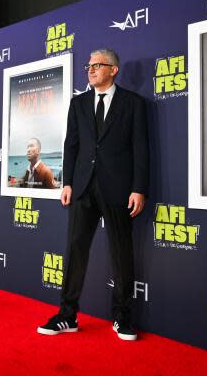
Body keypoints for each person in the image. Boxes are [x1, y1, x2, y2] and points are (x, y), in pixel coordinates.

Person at [37, 48, 148, 341]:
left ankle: (122, 316)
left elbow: (140, 150)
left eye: (98, 65)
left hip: (119, 188)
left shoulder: (133, 104)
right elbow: (71, 144)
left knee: (121, 252)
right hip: (83, 187)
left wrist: (139, 188)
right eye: (89, 65)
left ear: (114, 70)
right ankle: (67, 315)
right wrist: (68, 182)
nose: (91, 69)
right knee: (75, 250)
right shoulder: (79, 103)